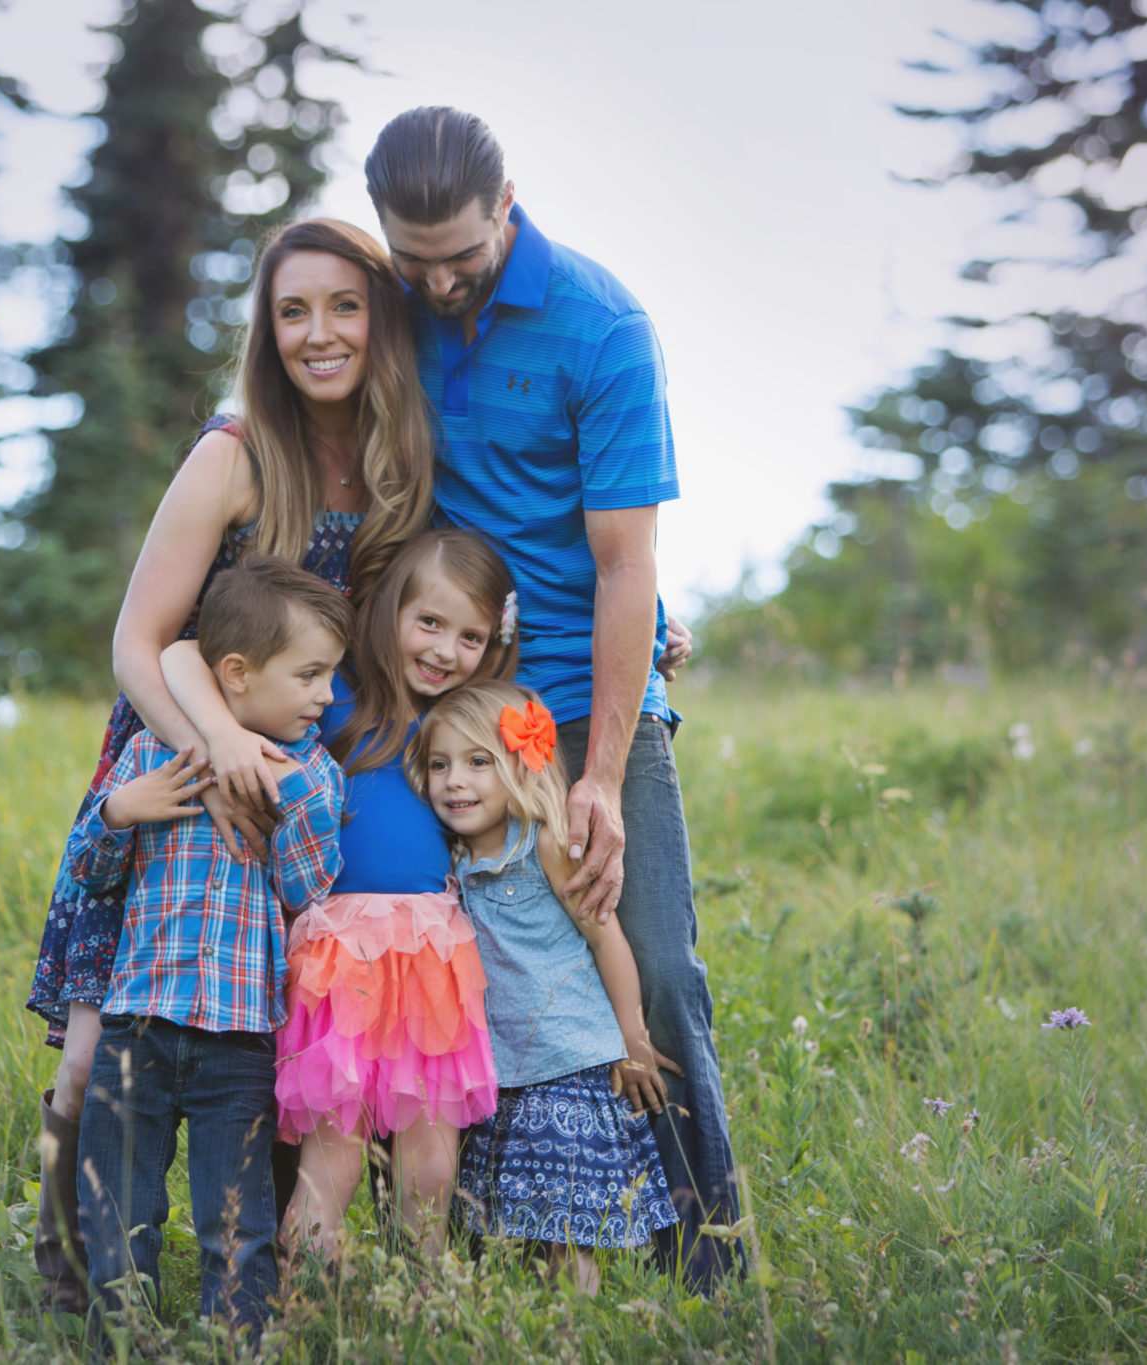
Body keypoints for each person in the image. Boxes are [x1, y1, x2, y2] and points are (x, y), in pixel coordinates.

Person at [363, 105, 742, 1291]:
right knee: (437, 953)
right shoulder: (392, 308)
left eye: (458, 258)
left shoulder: (599, 327)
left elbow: (626, 566)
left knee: (653, 962)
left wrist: (599, 780)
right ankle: (461, 1251)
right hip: (454, 699)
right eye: (411, 259)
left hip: (581, 697)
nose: (436, 284)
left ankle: (706, 1264)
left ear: (508, 206)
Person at [26, 218, 437, 1312]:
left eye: (344, 306)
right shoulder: (234, 452)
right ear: (266, 330)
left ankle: (268, 1277)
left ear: (382, 322)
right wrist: (214, 748)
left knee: (268, 1034)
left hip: (306, 768)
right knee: (94, 1052)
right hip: (178, 756)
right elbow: (141, 640)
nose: (318, 333)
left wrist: (655, 626)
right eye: (292, 311)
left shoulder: (402, 461)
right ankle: (69, 1272)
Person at [160, 528, 517, 1262]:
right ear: (390, 611)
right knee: (334, 1161)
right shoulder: (336, 692)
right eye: (430, 623)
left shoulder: (467, 717)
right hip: (339, 951)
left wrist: (657, 639)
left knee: (432, 1165)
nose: (446, 650)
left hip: (434, 954)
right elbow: (175, 656)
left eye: (471, 637)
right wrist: (222, 735)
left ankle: (422, 1299)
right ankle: (308, 1301)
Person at [64, 556, 350, 1333]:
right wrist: (118, 811)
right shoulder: (152, 755)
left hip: (238, 1039)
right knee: (120, 1211)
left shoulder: (312, 771)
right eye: (311, 674)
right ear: (237, 673)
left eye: (331, 675)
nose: (328, 694)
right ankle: (121, 1342)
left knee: (237, 1221)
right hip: (138, 1026)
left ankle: (238, 1342)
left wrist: (290, 799)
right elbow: (89, 874)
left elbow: (308, 889)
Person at [409, 679, 680, 1294]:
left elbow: (606, 940)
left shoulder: (547, 843)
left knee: (567, 1230)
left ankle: (574, 1329)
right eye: (440, 765)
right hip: (502, 1072)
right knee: (518, 1225)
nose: (455, 781)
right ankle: (530, 1329)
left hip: (570, 1063)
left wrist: (632, 1037)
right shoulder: (448, 860)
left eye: (479, 762)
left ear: (519, 766)